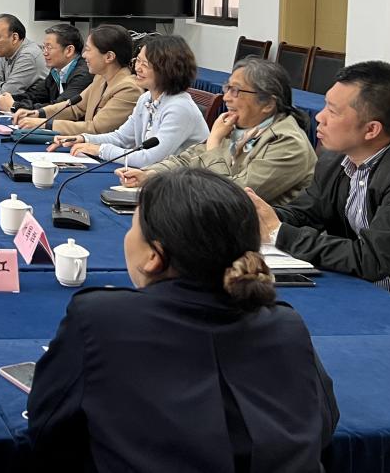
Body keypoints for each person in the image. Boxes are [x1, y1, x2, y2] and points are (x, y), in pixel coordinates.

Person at [28, 167, 338, 472]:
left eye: (133, 228)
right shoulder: (286, 324)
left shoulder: (100, 320)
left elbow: (48, 428)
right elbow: (323, 425)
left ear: (155, 256)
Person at [248, 61, 390, 298]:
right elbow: (305, 214)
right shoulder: (334, 159)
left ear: (371, 130)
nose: (319, 117)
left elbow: (373, 259)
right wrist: (254, 215)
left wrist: (278, 232)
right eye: (325, 105)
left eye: (333, 112)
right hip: (358, 287)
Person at [117, 57, 316, 204]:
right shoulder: (241, 126)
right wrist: (151, 174)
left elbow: (230, 196)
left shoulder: (287, 143)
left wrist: (214, 144)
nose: (226, 97)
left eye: (236, 91)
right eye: (227, 88)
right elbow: (187, 159)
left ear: (268, 104)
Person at [51, 34, 207, 168]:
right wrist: (84, 138)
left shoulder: (180, 108)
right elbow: (122, 138)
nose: (137, 68)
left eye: (145, 64)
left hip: (186, 185)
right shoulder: (146, 98)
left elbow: (150, 158)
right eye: (137, 61)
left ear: (168, 69)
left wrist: (100, 150)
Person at [18, 24, 141, 135]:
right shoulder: (100, 78)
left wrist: (45, 124)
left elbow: (96, 129)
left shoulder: (129, 89)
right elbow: (75, 107)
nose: (83, 55)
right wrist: (38, 113)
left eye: (88, 50)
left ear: (109, 56)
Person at [0, 23, 91, 114]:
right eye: (44, 47)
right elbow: (35, 96)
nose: (44, 53)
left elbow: (60, 108)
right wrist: (8, 99)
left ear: (69, 50)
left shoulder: (83, 75)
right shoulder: (56, 70)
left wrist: (14, 106)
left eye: (49, 47)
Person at [0, 14, 47, 98]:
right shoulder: (5, 52)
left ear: (14, 38)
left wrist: (2, 86)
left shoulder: (29, 56)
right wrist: (4, 86)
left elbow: (9, 92)